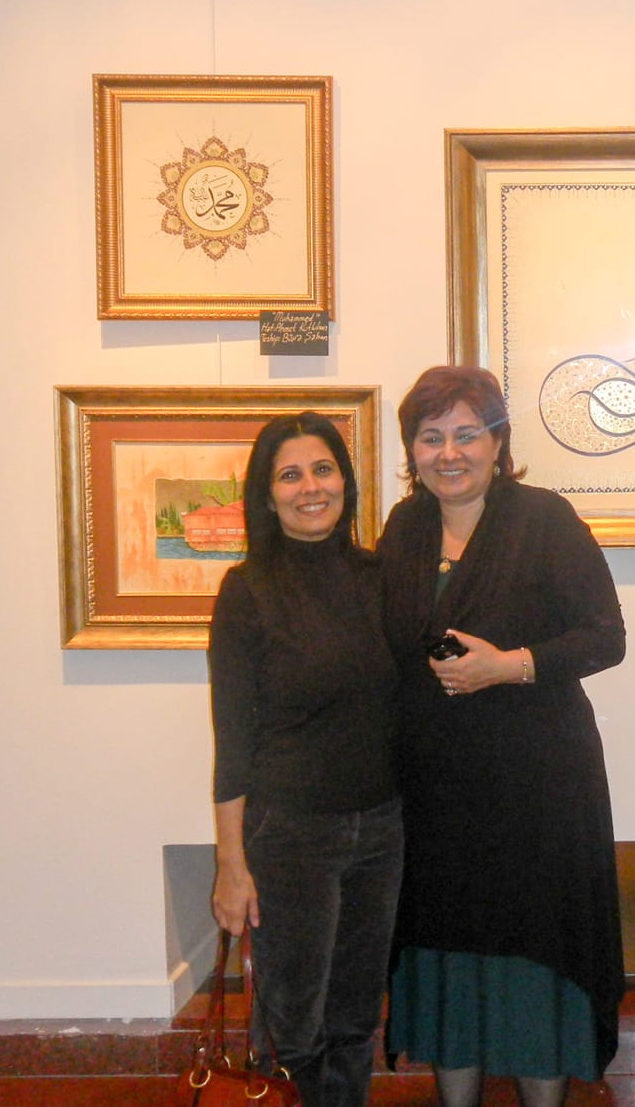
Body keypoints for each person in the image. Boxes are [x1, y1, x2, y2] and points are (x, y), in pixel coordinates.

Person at [377, 365, 627, 1107]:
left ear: (497, 441)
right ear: (412, 449)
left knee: (532, 952)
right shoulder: (404, 528)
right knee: (446, 954)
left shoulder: (544, 519)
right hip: (434, 792)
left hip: (536, 786)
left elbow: (606, 637)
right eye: (431, 437)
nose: (449, 453)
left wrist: (507, 666)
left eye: (466, 433)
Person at [207, 412, 404, 1107]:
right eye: (289, 475)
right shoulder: (247, 590)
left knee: (355, 1019)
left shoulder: (381, 577)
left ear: (345, 481)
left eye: (323, 469)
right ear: (266, 496)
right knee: (291, 1030)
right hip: (290, 836)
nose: (310, 487)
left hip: (382, 829)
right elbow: (232, 737)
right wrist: (231, 864)